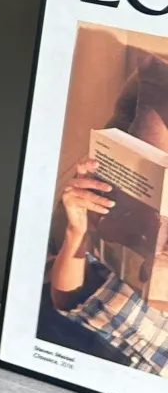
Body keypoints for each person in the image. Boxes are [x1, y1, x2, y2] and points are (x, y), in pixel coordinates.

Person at [49, 57, 168, 373]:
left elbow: (66, 301)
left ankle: (148, 76)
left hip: (96, 243)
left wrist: (76, 231)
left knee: (146, 103)